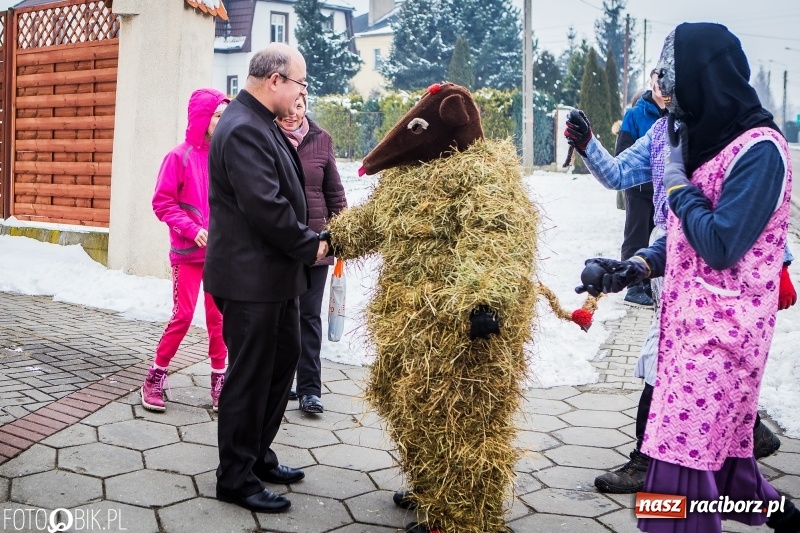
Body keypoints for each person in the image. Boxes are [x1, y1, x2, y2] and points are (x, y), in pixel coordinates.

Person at [575, 23, 800, 533]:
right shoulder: (701, 139)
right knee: (719, 466)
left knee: (675, 484)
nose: (670, 98)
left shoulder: (760, 151)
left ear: (707, 78)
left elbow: (720, 244)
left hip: (723, 336)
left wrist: (677, 184)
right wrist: (637, 265)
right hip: (685, 331)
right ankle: (773, 511)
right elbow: (682, 235)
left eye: (677, 84)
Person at [204, 43, 329, 514]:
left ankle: (257, 454)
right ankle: (234, 477)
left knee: (283, 363)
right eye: (300, 82)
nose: (302, 91)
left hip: (275, 277)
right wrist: (310, 244)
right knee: (250, 375)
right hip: (249, 280)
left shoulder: (260, 122)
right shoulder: (242, 128)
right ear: (274, 80)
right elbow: (265, 206)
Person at [143, 88, 230, 413]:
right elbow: (161, 202)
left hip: (220, 255)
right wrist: (192, 230)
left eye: (225, 115)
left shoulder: (225, 157)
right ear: (203, 118)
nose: (223, 121)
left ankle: (220, 381)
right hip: (188, 254)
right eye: (218, 115)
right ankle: (155, 376)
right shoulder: (177, 157)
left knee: (218, 320)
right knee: (182, 315)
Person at [276, 96, 347, 414]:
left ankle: (309, 390)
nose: (293, 114)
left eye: (299, 107)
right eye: (288, 108)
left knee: (307, 317)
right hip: (277, 245)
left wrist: (343, 233)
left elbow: (334, 190)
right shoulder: (267, 137)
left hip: (316, 244)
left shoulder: (321, 139)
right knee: (278, 317)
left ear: (306, 108)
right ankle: (279, 383)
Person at [616, 69, 666, 307]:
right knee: (636, 237)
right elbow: (622, 152)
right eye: (657, 83)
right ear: (651, 84)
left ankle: (646, 283)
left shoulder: (672, 114)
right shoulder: (635, 115)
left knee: (653, 238)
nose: (661, 88)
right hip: (638, 190)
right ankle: (632, 286)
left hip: (661, 192)